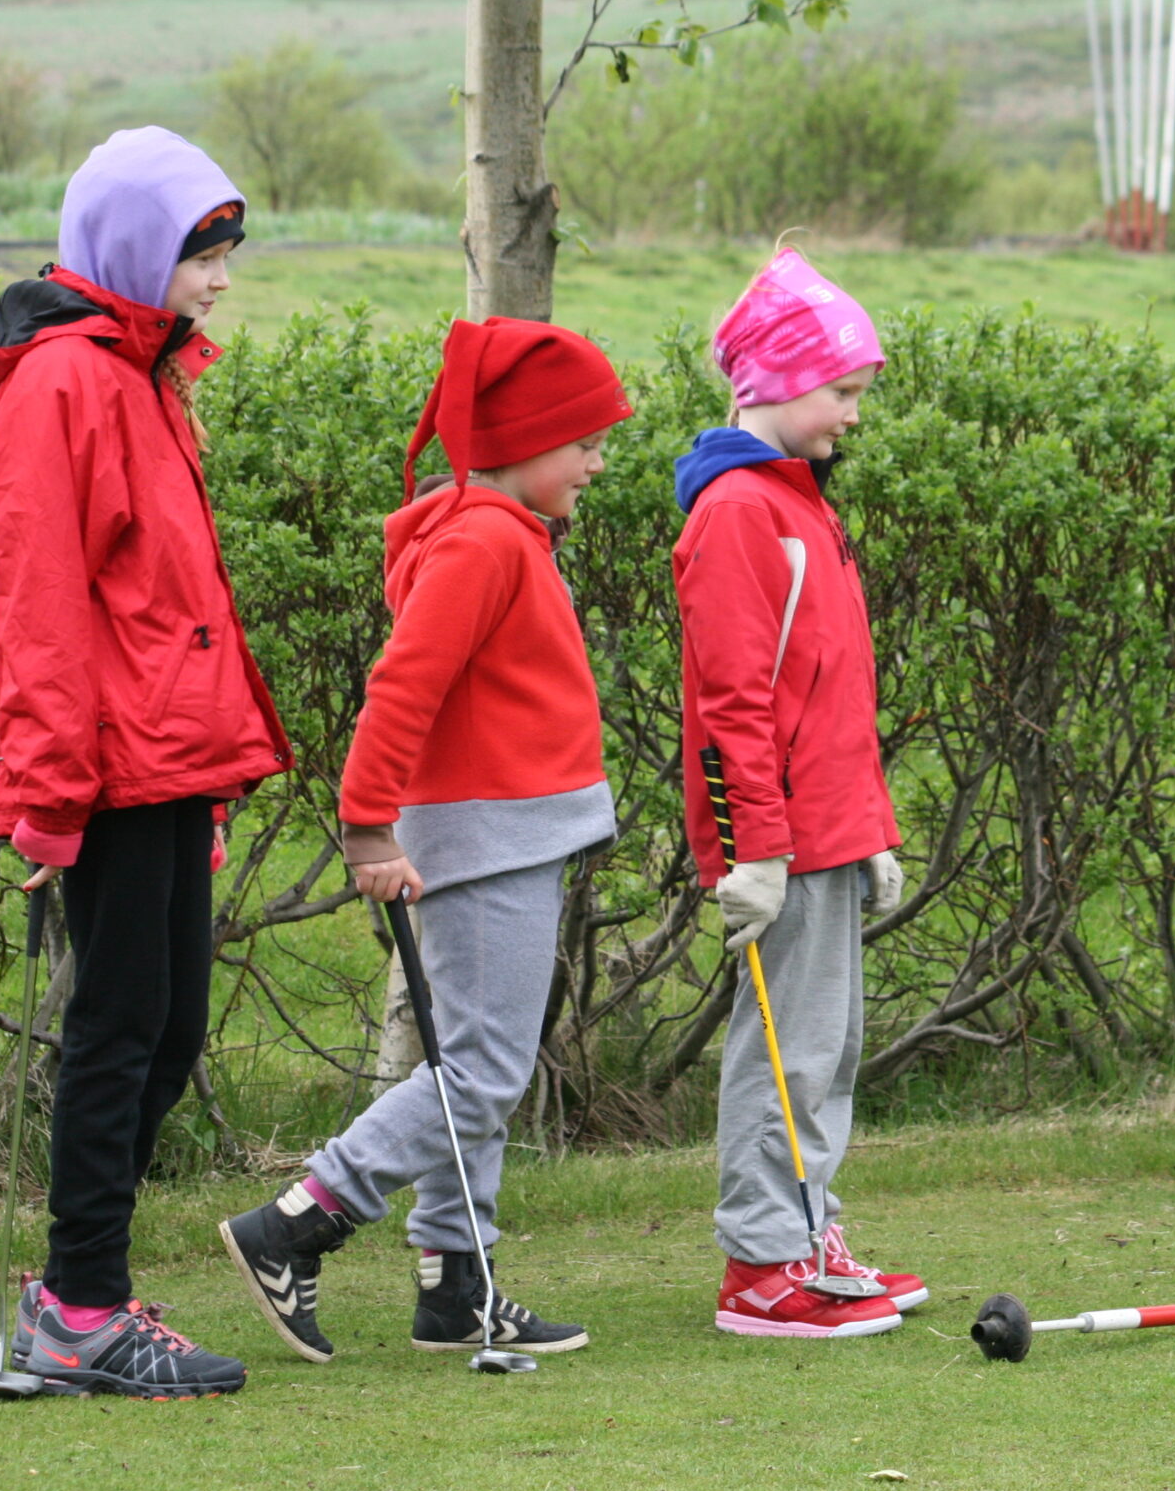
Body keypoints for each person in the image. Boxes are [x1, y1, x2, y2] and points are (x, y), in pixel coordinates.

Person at [218, 318, 632, 1363]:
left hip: (506, 833)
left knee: (469, 1058)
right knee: (484, 1069)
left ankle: (456, 1277)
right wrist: (365, 826)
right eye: (584, 442)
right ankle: (298, 1220)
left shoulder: (499, 533)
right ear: (525, 440)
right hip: (485, 837)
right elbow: (402, 686)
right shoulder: (485, 541)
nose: (597, 462)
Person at [0, 127, 291, 1397]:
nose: (220, 278)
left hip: (165, 763)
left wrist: (209, 778)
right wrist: (48, 792)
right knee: (118, 1031)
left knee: (164, 1033)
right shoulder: (64, 383)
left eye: (224, 253)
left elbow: (168, 603)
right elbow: (41, 606)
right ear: (133, 247)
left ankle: (77, 1293)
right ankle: (80, 1306)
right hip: (105, 769)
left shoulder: (142, 372)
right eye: (201, 253)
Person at [675, 248, 915, 1339]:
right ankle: (763, 1264)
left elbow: (831, 690)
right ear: (774, 382)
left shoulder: (799, 502)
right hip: (784, 842)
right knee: (786, 1055)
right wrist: (755, 851)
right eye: (840, 391)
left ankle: (811, 1232)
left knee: (827, 1051)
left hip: (829, 830)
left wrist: (871, 829)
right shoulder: (739, 511)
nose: (852, 415)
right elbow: (735, 701)